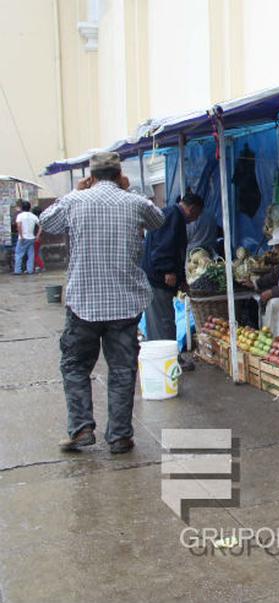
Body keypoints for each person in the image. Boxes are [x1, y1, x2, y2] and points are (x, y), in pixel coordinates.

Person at [39, 151, 166, 454]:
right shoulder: (134, 202)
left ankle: (81, 428)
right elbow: (158, 219)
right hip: (124, 304)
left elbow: (47, 221)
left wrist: (78, 191)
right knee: (122, 370)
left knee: (74, 366)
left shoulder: (75, 201)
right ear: (120, 174)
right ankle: (120, 435)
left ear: (91, 176)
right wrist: (127, 190)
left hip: (83, 302)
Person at [142, 192, 204, 368]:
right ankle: (169, 361)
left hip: (156, 278)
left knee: (159, 321)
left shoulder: (169, 214)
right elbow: (164, 246)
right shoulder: (173, 216)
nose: (194, 220)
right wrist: (168, 271)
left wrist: (181, 279)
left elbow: (175, 252)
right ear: (192, 209)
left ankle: (162, 359)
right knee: (163, 322)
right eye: (197, 215)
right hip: (158, 279)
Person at [14, 201, 38, 275]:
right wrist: (37, 236)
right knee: (31, 254)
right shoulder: (33, 216)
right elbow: (41, 225)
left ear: (21, 208)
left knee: (19, 254)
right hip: (31, 238)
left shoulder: (20, 216)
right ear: (29, 208)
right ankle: (30, 270)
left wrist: (21, 236)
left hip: (23, 238)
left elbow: (19, 226)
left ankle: (17, 271)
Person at [31, 206, 45, 272]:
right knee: (38, 252)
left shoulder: (35, 219)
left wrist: (37, 236)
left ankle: (40, 266)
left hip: (35, 237)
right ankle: (38, 266)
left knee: (36, 253)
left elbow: (39, 228)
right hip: (39, 237)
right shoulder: (40, 218)